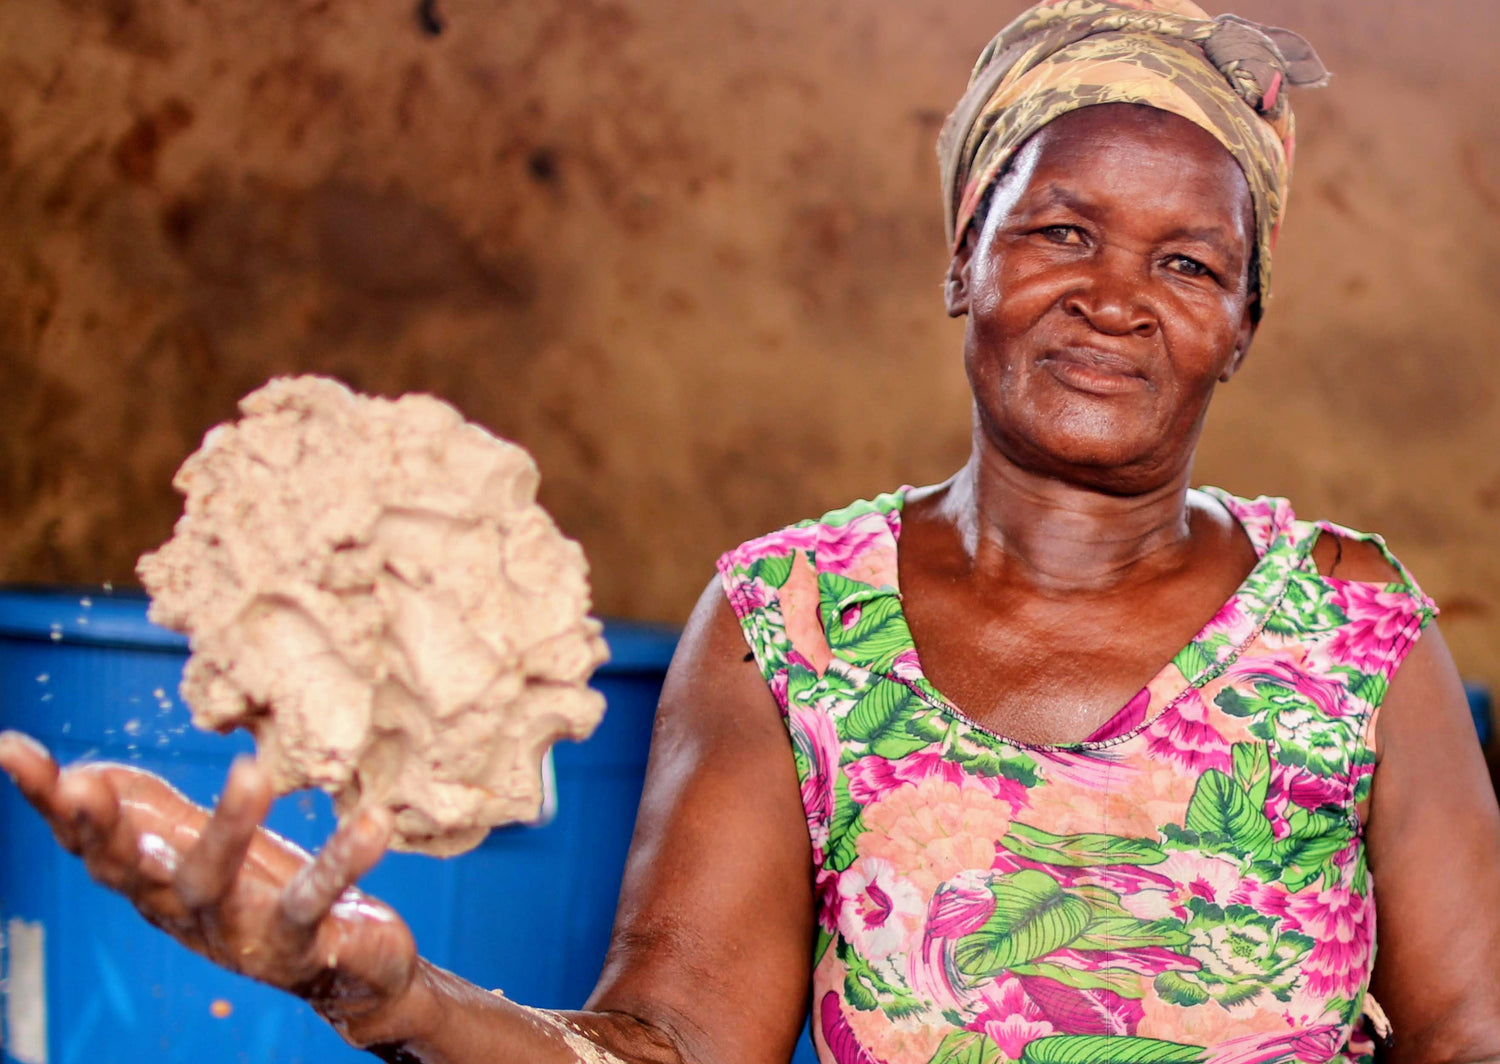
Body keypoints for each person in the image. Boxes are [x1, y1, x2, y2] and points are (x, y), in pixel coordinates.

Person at [4, 0, 1500, 1061]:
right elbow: (669, 1046)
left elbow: (1468, 1034)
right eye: (1060, 230)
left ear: (1241, 325)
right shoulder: (791, 618)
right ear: (961, 253)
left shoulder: (1352, 621)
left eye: (1189, 261)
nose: (1117, 294)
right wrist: (391, 999)